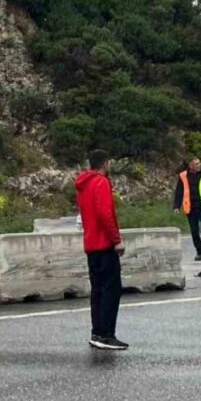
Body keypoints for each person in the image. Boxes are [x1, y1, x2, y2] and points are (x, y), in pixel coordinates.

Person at [75, 149, 128, 351]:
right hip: (104, 244)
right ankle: (107, 334)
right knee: (111, 290)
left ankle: (97, 332)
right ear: (105, 163)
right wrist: (117, 240)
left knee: (97, 290)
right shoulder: (101, 182)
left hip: (91, 245)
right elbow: (105, 214)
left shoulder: (83, 184)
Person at [172, 157, 201, 261]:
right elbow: (179, 192)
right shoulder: (183, 176)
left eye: (199, 163)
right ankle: (199, 252)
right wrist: (176, 206)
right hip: (191, 208)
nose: (199, 165)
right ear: (190, 166)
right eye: (196, 164)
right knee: (194, 231)